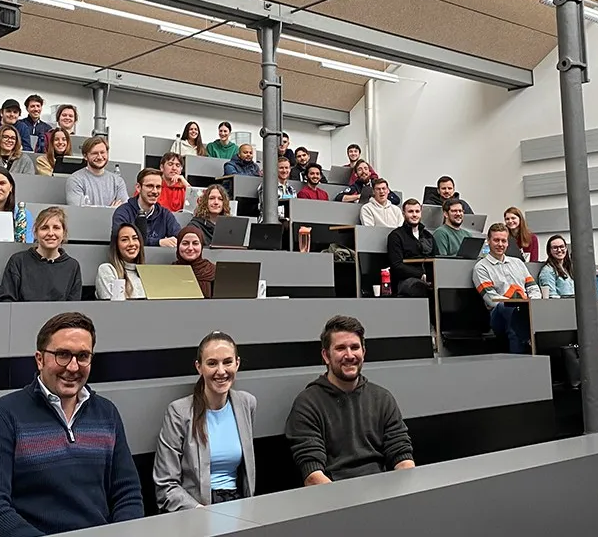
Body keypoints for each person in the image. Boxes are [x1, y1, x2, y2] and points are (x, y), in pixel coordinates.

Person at [0, 312, 143, 535]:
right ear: (39, 359)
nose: (73, 367)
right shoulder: (3, 416)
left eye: (83, 356)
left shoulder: (106, 413)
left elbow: (127, 494)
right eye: (62, 355)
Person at [284, 315, 414, 484]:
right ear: (326, 355)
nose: (349, 355)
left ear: (363, 352)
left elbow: (403, 458)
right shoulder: (307, 404)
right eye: (340, 348)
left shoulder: (383, 399)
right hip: (335, 498)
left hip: (382, 493)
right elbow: (313, 476)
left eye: (355, 347)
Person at [154, 332, 256, 510]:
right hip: (196, 510)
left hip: (239, 506)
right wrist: (199, 513)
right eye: (212, 363)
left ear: (237, 363)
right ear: (199, 367)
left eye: (227, 362)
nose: (221, 371)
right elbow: (166, 486)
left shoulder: (246, 404)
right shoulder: (179, 412)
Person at [473, 222, 541, 354]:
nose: (500, 244)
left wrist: (532, 302)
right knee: (509, 310)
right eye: (496, 240)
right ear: (488, 241)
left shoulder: (518, 262)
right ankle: (525, 348)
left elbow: (533, 288)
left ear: (508, 243)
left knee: (525, 312)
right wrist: (518, 304)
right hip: (498, 314)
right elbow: (491, 299)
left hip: (524, 308)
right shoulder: (481, 267)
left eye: (503, 240)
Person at [0, 208, 82, 302]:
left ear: (64, 232)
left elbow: (73, 306)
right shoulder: (18, 261)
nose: (50, 233)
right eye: (44, 228)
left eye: (56, 228)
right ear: (35, 233)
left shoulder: (72, 266)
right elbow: (6, 301)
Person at [111, 168, 180, 247]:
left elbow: (179, 237)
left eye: (158, 187)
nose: (154, 191)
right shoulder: (123, 212)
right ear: (138, 187)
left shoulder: (165, 214)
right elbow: (123, 240)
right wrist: (158, 242)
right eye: (149, 186)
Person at [385, 199, 434, 297]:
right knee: (419, 287)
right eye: (410, 212)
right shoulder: (396, 236)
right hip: (405, 280)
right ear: (404, 214)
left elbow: (436, 259)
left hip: (429, 278)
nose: (414, 215)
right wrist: (421, 275)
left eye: (417, 211)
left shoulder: (428, 235)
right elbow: (397, 265)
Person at [66, 136, 128, 206]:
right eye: (95, 153)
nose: (99, 157)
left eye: (102, 152)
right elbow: (79, 211)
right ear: (85, 156)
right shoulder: (75, 180)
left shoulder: (118, 181)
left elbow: (123, 211)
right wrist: (111, 210)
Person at [95, 224, 147, 300]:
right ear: (116, 245)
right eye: (124, 240)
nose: (131, 243)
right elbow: (111, 308)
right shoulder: (107, 270)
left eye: (135, 238)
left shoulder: (147, 273)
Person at [176, 225, 216, 297]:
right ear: (178, 245)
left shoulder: (212, 271)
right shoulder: (170, 272)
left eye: (195, 243)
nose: (190, 248)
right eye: (185, 243)